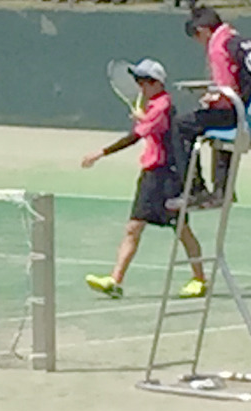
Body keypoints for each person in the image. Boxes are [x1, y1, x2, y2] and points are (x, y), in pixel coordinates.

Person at [81, 59, 206, 299]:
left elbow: (135, 137)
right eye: (137, 81)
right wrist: (143, 116)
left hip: (165, 177)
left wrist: (100, 153)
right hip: (151, 175)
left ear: (156, 83)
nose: (140, 86)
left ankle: (200, 279)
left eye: (143, 81)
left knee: (182, 229)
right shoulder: (154, 106)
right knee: (134, 227)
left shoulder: (162, 106)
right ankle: (115, 281)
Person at [167, 6, 251, 210]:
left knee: (181, 126)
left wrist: (209, 99)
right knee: (216, 121)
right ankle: (222, 190)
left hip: (243, 116)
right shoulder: (241, 41)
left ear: (202, 31)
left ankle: (194, 191)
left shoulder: (218, 47)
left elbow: (227, 95)